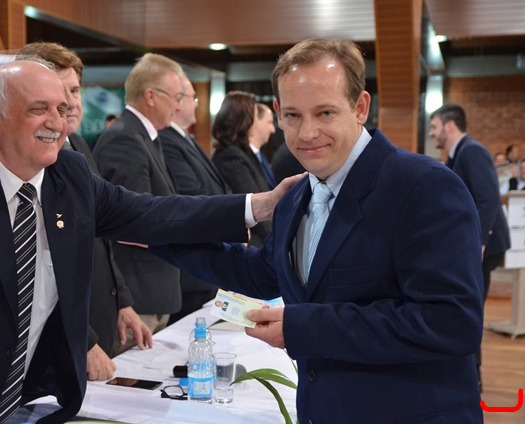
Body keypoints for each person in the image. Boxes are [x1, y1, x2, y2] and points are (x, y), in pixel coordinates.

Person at [0, 59, 294, 424]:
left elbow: (152, 214)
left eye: (62, 109)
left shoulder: (71, 174)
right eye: (39, 109)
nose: (58, 123)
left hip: (30, 403)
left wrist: (258, 206)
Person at [151, 38, 485, 423]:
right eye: (293, 115)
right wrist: (158, 238)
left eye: (325, 112)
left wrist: (303, 327)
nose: (307, 133)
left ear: (360, 107)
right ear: (278, 113)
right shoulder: (297, 196)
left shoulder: (424, 187)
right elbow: (259, 272)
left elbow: (451, 322)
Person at [16, 41, 150, 382]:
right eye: (58, 93)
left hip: (97, 318)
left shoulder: (76, 148)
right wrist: (84, 341)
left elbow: (99, 235)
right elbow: (38, 271)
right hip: (61, 341)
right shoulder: (30, 161)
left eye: (74, 91)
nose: (72, 103)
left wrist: (122, 301)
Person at [92, 52, 187, 355]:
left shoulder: (144, 137)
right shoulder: (125, 139)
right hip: (138, 295)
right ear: (150, 96)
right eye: (176, 97)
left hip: (153, 290)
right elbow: (133, 222)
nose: (178, 105)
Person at [429, 103, 510, 391]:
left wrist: (480, 242)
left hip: (483, 246)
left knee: (469, 311)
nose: (431, 133)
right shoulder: (457, 155)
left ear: (450, 125)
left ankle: (472, 378)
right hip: (472, 245)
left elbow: (488, 199)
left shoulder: (472, 151)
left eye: (434, 126)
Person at [159, 74, 229, 323]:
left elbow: (219, 189)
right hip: (191, 271)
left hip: (208, 265)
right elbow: (191, 194)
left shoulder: (186, 138)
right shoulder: (167, 140)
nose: (197, 103)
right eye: (193, 98)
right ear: (177, 102)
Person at [212, 91, 272, 247]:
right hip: (255, 246)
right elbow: (256, 208)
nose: (257, 123)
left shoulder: (244, 154)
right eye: (254, 116)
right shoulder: (231, 157)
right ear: (244, 120)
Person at [249, 103, 277, 189]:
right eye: (269, 122)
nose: (273, 130)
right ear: (255, 121)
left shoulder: (262, 158)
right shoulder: (242, 158)